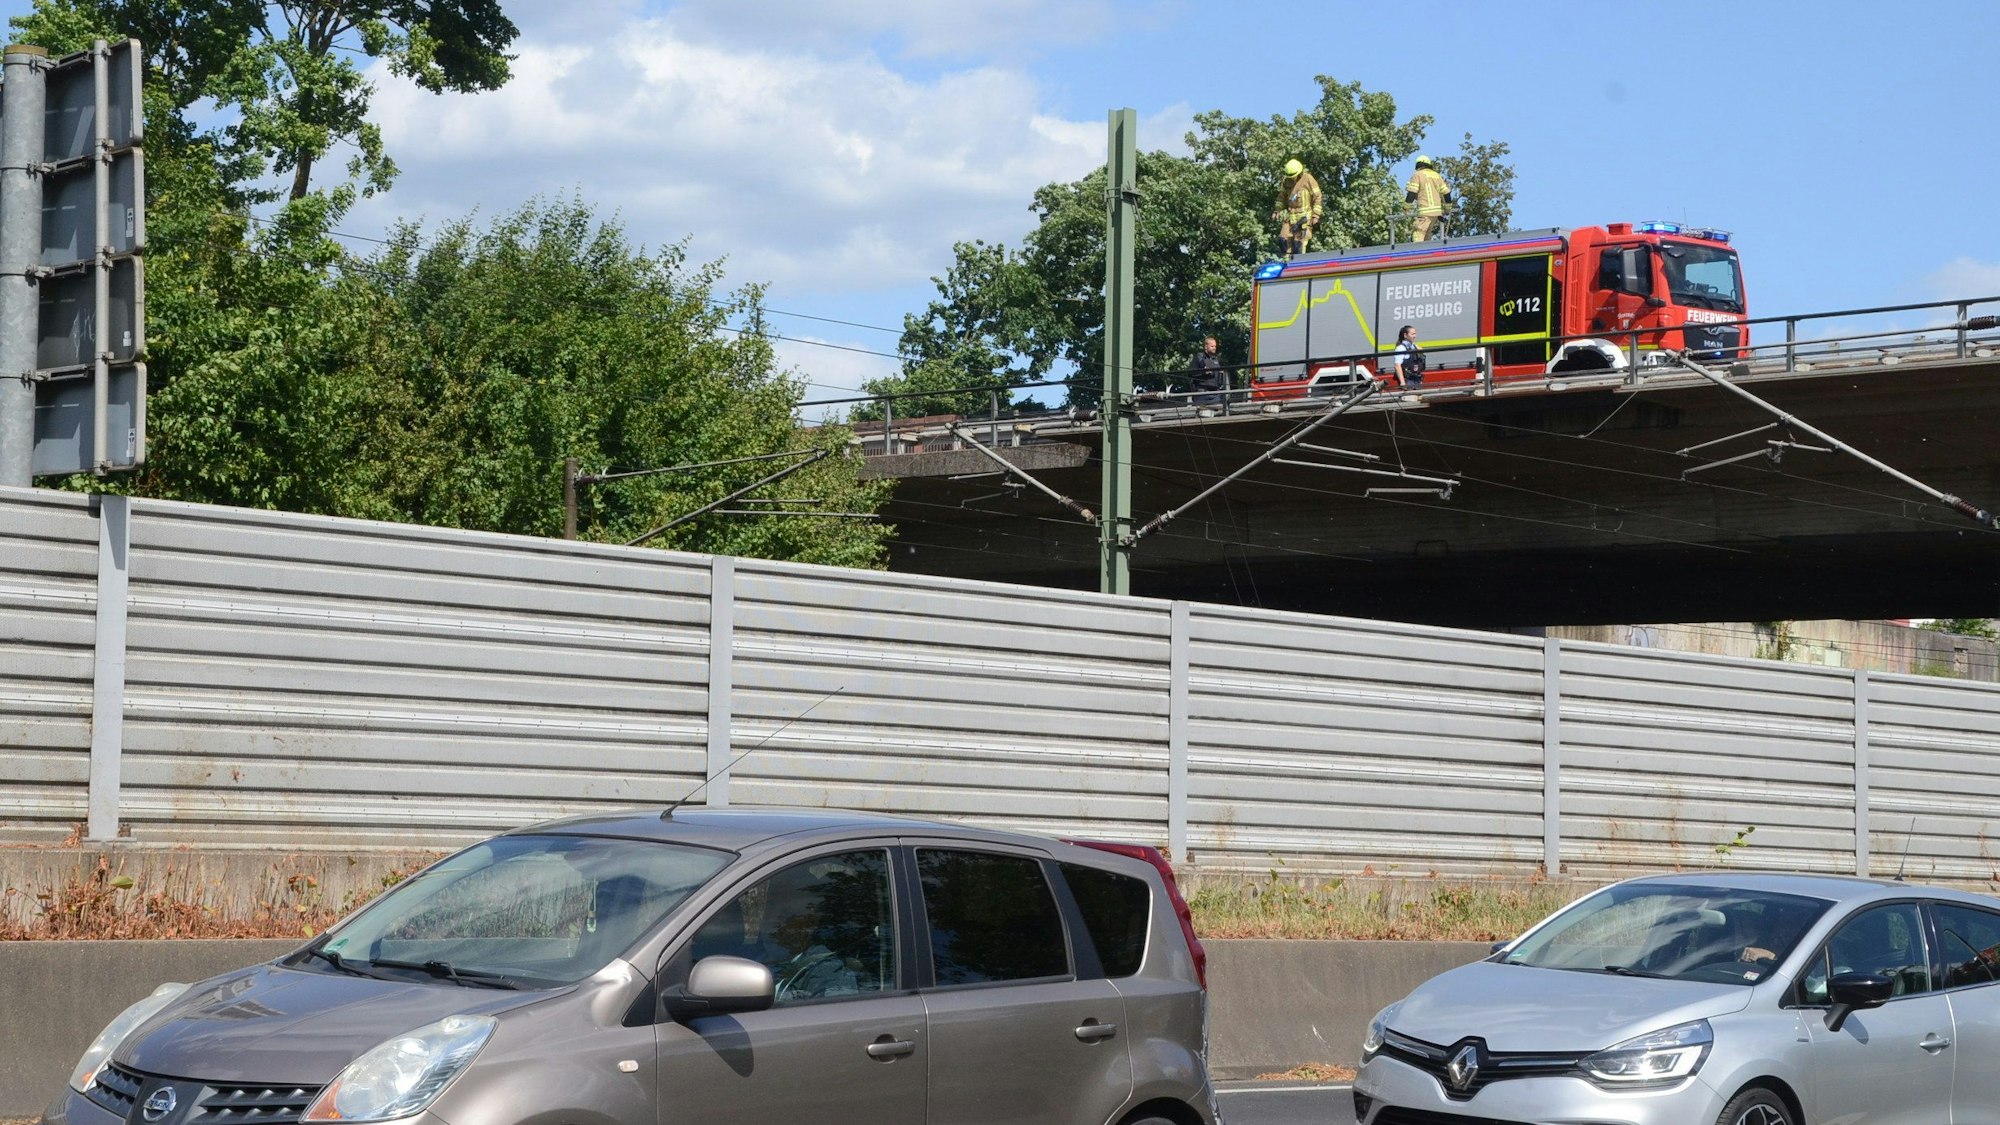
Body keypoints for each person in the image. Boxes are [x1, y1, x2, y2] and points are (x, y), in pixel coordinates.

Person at [1271, 158, 1322, 259]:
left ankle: (1298, 266)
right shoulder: (1287, 181)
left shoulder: (1308, 179)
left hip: (1304, 219)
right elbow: (1281, 197)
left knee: (1298, 246)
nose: (1292, 178)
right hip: (1290, 218)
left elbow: (1318, 196)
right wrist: (1277, 210)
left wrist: (1316, 215)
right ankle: (1287, 267)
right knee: (1283, 241)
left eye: (1294, 176)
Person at [1404, 155, 1453, 242]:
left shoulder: (1418, 175)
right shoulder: (1436, 175)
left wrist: (1406, 208)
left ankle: (1418, 253)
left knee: (1418, 233)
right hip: (1436, 213)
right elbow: (1446, 193)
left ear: (1418, 165)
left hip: (1424, 211)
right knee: (1427, 234)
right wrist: (1447, 209)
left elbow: (1412, 193)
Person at [1191, 336, 1227, 411]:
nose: (1214, 348)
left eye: (1215, 346)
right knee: (1202, 416)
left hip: (1215, 394)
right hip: (1202, 394)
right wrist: (1203, 372)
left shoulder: (1216, 359)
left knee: (1218, 414)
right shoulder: (1199, 357)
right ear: (1206, 346)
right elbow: (1191, 373)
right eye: (1212, 346)